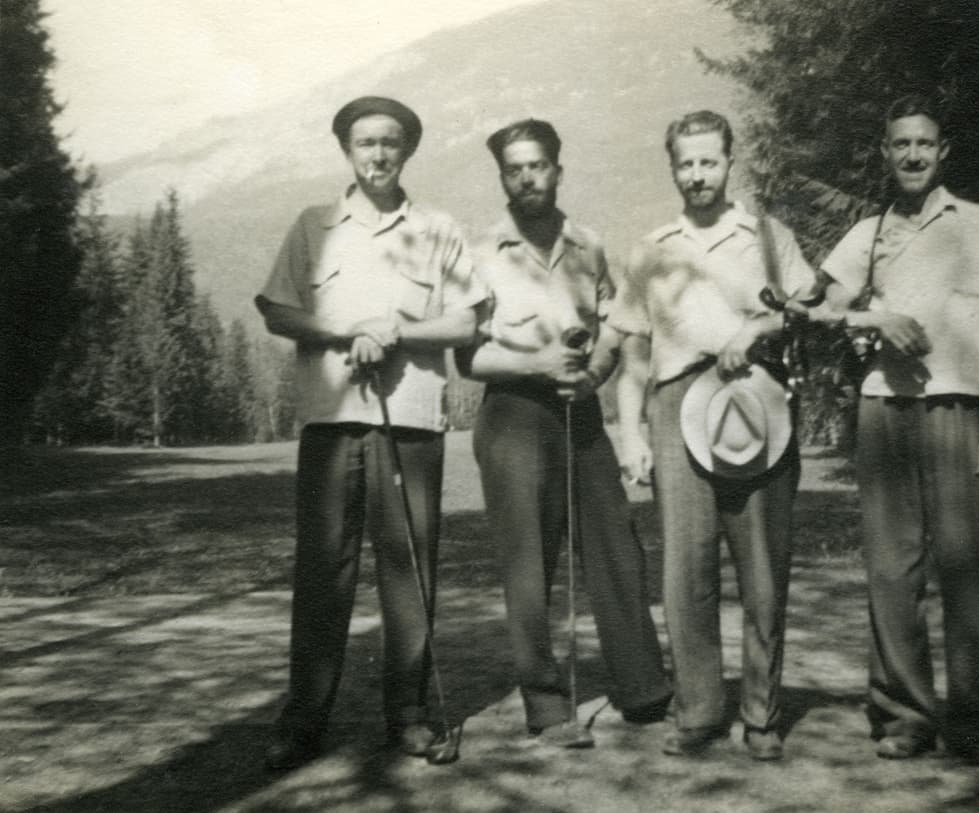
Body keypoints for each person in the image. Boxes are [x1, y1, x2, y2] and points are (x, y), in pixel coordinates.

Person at [255, 96, 486, 770]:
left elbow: (468, 322)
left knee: (408, 567)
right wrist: (345, 330)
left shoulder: (438, 227)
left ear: (407, 149)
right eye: (364, 143)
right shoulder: (313, 223)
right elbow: (276, 309)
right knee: (323, 570)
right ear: (346, 151)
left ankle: (408, 714)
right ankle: (304, 719)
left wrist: (397, 331)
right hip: (331, 423)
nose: (378, 154)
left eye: (390, 142)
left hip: (410, 419)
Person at [818, 94, 979, 766]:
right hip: (884, 413)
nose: (911, 154)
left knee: (964, 569)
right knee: (889, 570)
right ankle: (904, 714)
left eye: (923, 144)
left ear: (943, 153)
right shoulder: (869, 232)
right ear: (885, 153)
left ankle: (976, 726)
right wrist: (873, 320)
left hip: (960, 411)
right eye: (899, 143)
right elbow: (819, 310)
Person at [610, 110, 819, 760]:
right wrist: (631, 433)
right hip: (677, 405)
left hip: (755, 404)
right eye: (686, 163)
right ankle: (698, 711)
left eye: (709, 161)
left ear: (730, 162)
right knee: (687, 569)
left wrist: (753, 332)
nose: (697, 174)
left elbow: (807, 305)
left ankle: (761, 715)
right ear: (671, 167)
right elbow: (633, 357)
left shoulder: (766, 236)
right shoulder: (651, 248)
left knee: (762, 568)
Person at [458, 119, 672, 748]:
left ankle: (642, 690)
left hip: (579, 411)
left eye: (539, 165)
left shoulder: (589, 247)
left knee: (616, 546)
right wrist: (536, 365)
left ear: (558, 169)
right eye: (514, 168)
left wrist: (598, 372)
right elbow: (465, 359)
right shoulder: (481, 254)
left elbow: (612, 327)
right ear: (503, 177)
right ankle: (547, 706)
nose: (528, 177)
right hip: (513, 414)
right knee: (529, 561)